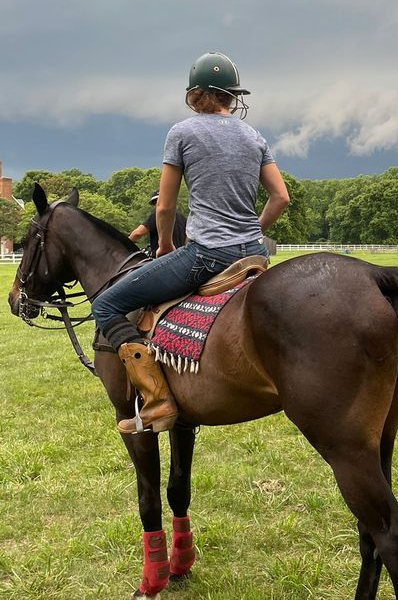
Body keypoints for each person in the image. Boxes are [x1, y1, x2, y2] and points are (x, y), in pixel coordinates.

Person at [92, 51, 290, 434]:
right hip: (253, 255)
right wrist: (254, 231)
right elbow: (280, 197)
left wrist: (165, 245)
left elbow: (164, 206)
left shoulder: (182, 133)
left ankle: (156, 400)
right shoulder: (254, 136)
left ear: (195, 94)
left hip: (207, 255)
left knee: (107, 304)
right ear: (233, 96)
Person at [129, 190, 187, 256]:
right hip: (180, 258)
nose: (156, 204)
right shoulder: (183, 218)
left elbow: (137, 233)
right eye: (155, 202)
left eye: (157, 201)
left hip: (162, 259)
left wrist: (125, 244)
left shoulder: (157, 216)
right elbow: (187, 240)